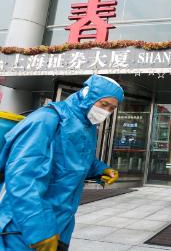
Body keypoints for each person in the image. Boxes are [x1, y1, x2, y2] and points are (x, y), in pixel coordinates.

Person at [0, 74, 124, 251]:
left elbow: (75, 162)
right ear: (87, 94)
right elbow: (22, 177)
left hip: (61, 224)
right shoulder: (47, 119)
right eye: (104, 104)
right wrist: (38, 230)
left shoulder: (88, 127)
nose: (106, 111)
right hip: (24, 227)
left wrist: (101, 170)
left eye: (112, 108)